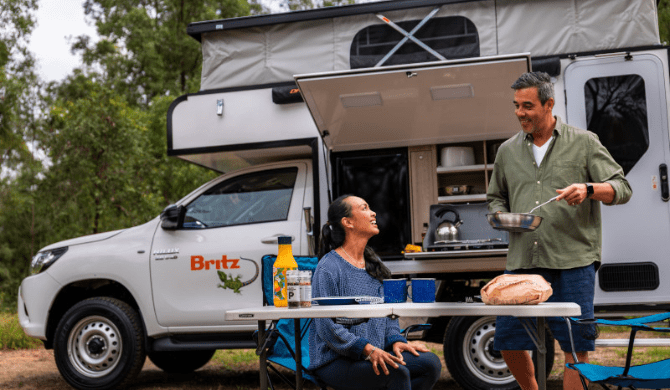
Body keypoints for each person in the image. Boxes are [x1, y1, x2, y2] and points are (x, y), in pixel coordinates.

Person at [487, 72, 632, 390]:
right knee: (508, 340)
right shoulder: (507, 152)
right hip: (523, 261)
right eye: (515, 106)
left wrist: (589, 188)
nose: (519, 113)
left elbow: (622, 188)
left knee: (575, 346)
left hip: (573, 259)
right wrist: (499, 215)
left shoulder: (584, 142)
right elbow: (496, 196)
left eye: (527, 106)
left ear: (548, 104)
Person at [308, 195, 442, 390]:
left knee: (430, 365)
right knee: (396, 372)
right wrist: (366, 349)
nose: (373, 213)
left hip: (375, 350)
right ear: (348, 222)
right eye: (364, 208)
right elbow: (326, 327)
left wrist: (396, 340)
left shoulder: (374, 264)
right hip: (335, 359)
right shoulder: (328, 267)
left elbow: (389, 314)